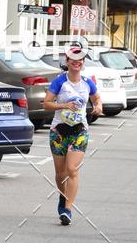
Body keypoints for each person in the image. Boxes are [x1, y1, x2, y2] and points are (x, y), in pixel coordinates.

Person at [44, 38, 102, 225]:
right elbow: (46, 104)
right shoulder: (60, 82)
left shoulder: (87, 82)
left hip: (79, 130)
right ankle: (63, 197)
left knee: (72, 170)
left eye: (81, 59)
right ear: (67, 61)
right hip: (59, 130)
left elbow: (97, 98)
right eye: (73, 59)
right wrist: (64, 105)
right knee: (61, 174)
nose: (77, 62)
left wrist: (98, 106)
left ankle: (68, 209)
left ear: (84, 62)